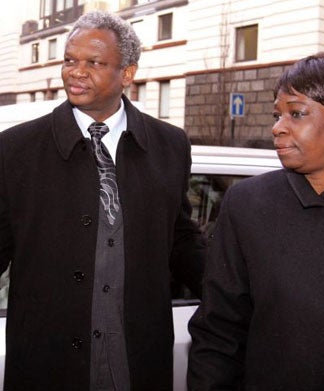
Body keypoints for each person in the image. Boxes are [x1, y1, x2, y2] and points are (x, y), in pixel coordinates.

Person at [0, 10, 206, 391]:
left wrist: (230, 291)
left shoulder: (170, 145)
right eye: (69, 60)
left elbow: (178, 236)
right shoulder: (16, 151)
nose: (75, 72)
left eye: (93, 62)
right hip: (48, 364)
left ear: (127, 73)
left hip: (138, 360)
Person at [187, 52, 324, 390]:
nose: (278, 127)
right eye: (277, 115)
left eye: (296, 113)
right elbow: (218, 332)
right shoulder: (248, 204)